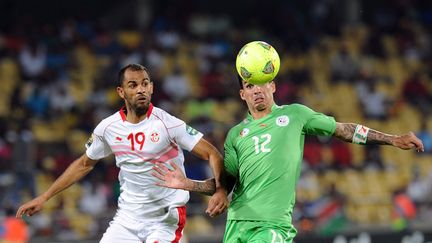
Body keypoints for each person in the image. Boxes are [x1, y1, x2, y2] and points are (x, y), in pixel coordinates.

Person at [152, 75, 425, 243]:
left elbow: (344, 130)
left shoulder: (296, 115)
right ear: (242, 94)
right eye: (249, 85)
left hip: (272, 225)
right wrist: (188, 183)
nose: (256, 89)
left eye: (261, 83)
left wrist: (392, 138)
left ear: (273, 86)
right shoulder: (236, 135)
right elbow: (225, 184)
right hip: (236, 226)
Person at [16, 63, 229, 243]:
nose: (141, 90)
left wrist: (220, 190)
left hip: (165, 219)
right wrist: (44, 197)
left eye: (145, 84)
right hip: (127, 219)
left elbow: (212, 153)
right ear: (121, 92)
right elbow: (84, 164)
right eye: (133, 85)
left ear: (152, 87)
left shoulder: (168, 124)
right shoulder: (108, 128)